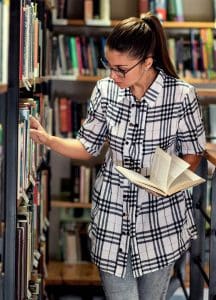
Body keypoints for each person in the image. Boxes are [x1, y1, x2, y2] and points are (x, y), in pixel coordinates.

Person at [30, 12, 206, 300]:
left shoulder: (181, 96)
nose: (113, 75)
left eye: (121, 69)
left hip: (160, 223)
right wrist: (47, 139)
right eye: (109, 66)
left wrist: (166, 181)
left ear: (147, 62)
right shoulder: (105, 90)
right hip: (112, 219)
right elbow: (88, 146)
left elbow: (193, 152)